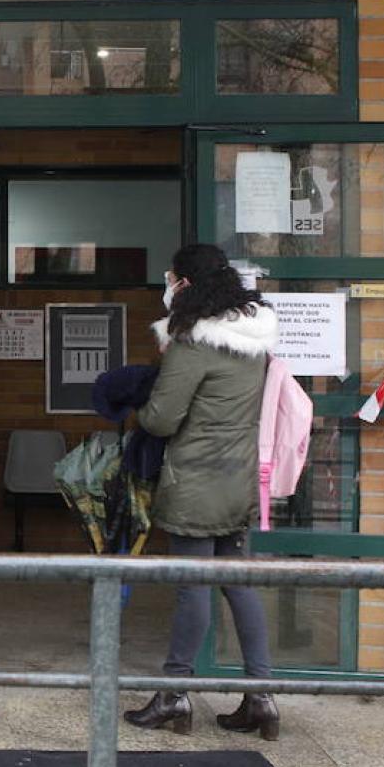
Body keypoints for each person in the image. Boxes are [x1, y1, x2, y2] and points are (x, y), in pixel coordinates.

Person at [123, 243, 282, 741]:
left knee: (193, 587)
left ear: (186, 284)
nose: (168, 286)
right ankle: (261, 696)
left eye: (171, 278)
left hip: (196, 482)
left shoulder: (194, 343)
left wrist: (136, 403)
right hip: (237, 480)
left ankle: (174, 693)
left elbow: (161, 418)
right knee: (238, 584)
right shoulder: (253, 342)